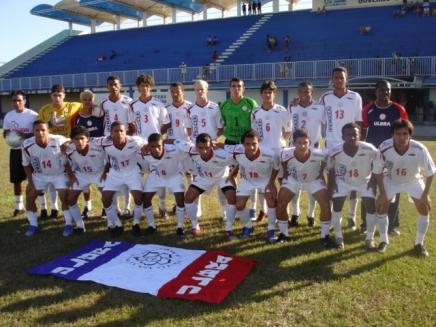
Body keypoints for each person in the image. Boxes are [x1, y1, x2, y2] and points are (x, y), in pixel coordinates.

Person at [373, 119, 435, 256]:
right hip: (391, 179)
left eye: (405, 134)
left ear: (410, 135)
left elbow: (430, 173)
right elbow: (377, 171)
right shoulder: (384, 147)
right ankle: (384, 240)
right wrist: (382, 193)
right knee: (382, 206)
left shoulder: (419, 149)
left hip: (413, 180)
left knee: (424, 208)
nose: (401, 137)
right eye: (398, 134)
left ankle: (419, 243)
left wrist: (425, 194)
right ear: (392, 135)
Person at [362, 80, 409, 235]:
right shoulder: (368, 109)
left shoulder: (398, 109)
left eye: (387, 90)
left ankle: (392, 225)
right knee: (369, 188)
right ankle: (366, 223)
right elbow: (362, 132)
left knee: (393, 188)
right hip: (373, 156)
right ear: (376, 92)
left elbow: (406, 132)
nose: (385, 93)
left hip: (392, 157)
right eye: (382, 90)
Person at [320, 67, 363, 230]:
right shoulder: (325, 97)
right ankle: (330, 216)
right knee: (332, 181)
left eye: (341, 77)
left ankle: (351, 217)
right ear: (332, 79)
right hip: (331, 144)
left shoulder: (355, 97)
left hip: (351, 144)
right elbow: (316, 113)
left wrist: (358, 142)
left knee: (353, 179)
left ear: (347, 79)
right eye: (335, 77)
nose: (338, 80)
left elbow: (358, 122)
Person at [276, 129, 332, 246]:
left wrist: (321, 172)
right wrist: (286, 174)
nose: (302, 146)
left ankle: (325, 236)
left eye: (305, 143)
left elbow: (327, 161)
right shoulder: (285, 153)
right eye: (299, 143)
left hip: (313, 180)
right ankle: (283, 234)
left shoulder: (318, 153)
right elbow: (282, 163)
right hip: (294, 180)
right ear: (293, 143)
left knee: (326, 204)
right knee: (281, 203)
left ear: (309, 142)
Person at [327, 123, 378, 249]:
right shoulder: (335, 151)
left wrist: (372, 179)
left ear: (359, 135)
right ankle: (339, 237)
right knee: (337, 204)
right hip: (343, 181)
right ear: (343, 137)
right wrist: (332, 185)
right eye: (348, 135)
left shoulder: (369, 148)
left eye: (355, 134)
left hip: (364, 181)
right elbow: (330, 168)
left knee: (370, 206)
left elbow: (378, 163)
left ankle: (369, 238)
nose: (352, 137)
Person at [176, 133, 237, 237]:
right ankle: (195, 227)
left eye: (207, 147)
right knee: (188, 198)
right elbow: (175, 141)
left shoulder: (223, 154)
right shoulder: (192, 150)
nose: (204, 151)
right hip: (203, 178)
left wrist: (232, 175)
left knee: (231, 196)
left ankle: (229, 228)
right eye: (200, 148)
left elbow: (238, 160)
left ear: (212, 146)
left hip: (221, 177)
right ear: (196, 147)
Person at [38, 84, 82, 218]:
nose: (57, 98)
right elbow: (39, 126)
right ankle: (55, 207)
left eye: (59, 95)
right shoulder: (45, 109)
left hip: (69, 146)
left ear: (64, 95)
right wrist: (50, 124)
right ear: (51, 96)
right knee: (53, 176)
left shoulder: (74, 106)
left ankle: (84, 206)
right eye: (54, 95)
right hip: (52, 148)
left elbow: (87, 103)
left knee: (76, 175)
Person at [227, 130, 280, 241]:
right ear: (242, 144)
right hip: (247, 181)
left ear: (258, 142)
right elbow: (238, 162)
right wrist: (231, 175)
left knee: (271, 201)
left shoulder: (269, 153)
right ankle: (248, 226)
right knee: (239, 205)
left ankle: (271, 230)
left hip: (265, 180)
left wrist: (271, 184)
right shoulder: (237, 152)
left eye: (254, 144)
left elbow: (276, 168)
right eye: (247, 144)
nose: (251, 147)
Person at [21, 120, 71, 236]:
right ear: (33, 132)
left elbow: (69, 140)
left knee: (64, 196)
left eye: (43, 130)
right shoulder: (27, 145)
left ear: (48, 131)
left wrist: (67, 145)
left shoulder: (57, 140)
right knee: (29, 196)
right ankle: (33, 224)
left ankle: (68, 223)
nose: (40, 133)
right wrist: (31, 182)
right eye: (37, 130)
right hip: (40, 175)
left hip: (58, 174)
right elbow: (26, 164)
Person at [220, 78, 260, 221]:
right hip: (230, 143)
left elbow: (256, 123)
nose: (236, 88)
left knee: (250, 175)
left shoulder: (250, 103)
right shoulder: (224, 105)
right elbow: (222, 124)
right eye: (233, 86)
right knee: (229, 175)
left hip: (246, 144)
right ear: (229, 89)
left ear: (243, 89)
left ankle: (253, 210)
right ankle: (230, 208)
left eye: (239, 86)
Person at [131, 74, 170, 218]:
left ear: (150, 87)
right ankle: (140, 208)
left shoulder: (159, 104)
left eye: (147, 85)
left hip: (155, 146)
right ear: (138, 87)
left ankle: (162, 206)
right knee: (138, 176)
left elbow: (166, 124)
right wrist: (139, 141)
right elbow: (131, 125)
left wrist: (157, 138)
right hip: (140, 146)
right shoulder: (133, 105)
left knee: (159, 176)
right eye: (142, 85)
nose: (144, 88)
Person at [98, 121, 146, 237]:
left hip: (132, 171)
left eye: (121, 131)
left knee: (139, 197)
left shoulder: (135, 141)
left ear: (126, 133)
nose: (119, 133)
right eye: (116, 131)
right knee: (105, 198)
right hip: (116, 173)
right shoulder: (104, 142)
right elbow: (86, 141)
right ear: (111, 134)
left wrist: (146, 148)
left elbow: (147, 143)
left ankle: (136, 223)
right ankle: (117, 224)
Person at [288, 81, 326, 227]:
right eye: (302, 92)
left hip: (313, 151)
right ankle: (295, 213)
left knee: (312, 183)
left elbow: (327, 125)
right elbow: (287, 125)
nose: (304, 94)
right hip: (295, 150)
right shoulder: (293, 106)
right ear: (298, 93)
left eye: (307, 91)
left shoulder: (320, 108)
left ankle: (310, 214)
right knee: (295, 183)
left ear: (312, 93)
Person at [139, 133, 188, 236]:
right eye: (153, 146)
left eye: (159, 146)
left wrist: (172, 140)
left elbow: (187, 147)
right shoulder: (144, 152)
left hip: (174, 175)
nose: (156, 149)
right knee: (145, 199)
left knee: (180, 199)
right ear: (148, 146)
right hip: (156, 176)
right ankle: (151, 225)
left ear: (163, 145)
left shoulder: (174, 150)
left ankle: (180, 226)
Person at [100, 75, 135, 218]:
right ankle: (116, 207)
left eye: (115, 84)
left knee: (126, 170)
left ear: (120, 86)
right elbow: (101, 121)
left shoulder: (128, 101)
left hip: (124, 141)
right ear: (107, 87)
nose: (113, 86)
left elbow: (132, 124)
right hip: (109, 142)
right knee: (111, 173)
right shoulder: (103, 103)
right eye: (110, 84)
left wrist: (128, 138)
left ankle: (127, 207)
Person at [70, 89, 105, 218]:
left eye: (90, 99)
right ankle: (88, 207)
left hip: (98, 151)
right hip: (82, 151)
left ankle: (105, 208)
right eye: (85, 99)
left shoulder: (99, 114)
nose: (87, 102)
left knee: (103, 183)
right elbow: (74, 134)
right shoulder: (76, 117)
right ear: (81, 100)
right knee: (85, 181)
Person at [65, 126, 106, 234]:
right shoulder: (69, 149)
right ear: (72, 140)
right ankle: (79, 225)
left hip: (99, 173)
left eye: (82, 138)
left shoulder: (98, 146)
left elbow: (110, 157)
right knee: (70, 198)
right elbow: (66, 162)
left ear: (87, 138)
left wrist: (106, 172)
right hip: (81, 174)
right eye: (76, 139)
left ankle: (113, 223)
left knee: (108, 197)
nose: (79, 141)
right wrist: (71, 176)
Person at [3, 90, 38, 216]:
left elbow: (38, 132)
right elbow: (5, 132)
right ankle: (19, 206)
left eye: (19, 100)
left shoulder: (33, 115)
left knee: (35, 179)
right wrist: (9, 137)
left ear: (24, 101)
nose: (17, 102)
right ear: (11, 101)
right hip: (16, 151)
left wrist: (25, 135)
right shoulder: (9, 116)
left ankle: (42, 206)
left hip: (31, 150)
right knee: (16, 180)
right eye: (14, 100)